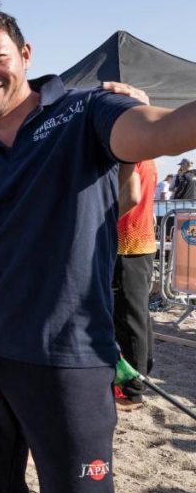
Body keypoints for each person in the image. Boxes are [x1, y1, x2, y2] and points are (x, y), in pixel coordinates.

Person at [0, 0, 196, 493]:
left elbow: (163, 131)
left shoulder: (87, 109)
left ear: (25, 55)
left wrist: (145, 131)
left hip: (70, 357)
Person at [113, 159, 157, 411]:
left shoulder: (131, 156)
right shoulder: (146, 157)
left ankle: (132, 390)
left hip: (128, 244)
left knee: (130, 317)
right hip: (140, 243)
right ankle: (140, 377)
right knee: (137, 314)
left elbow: (131, 197)